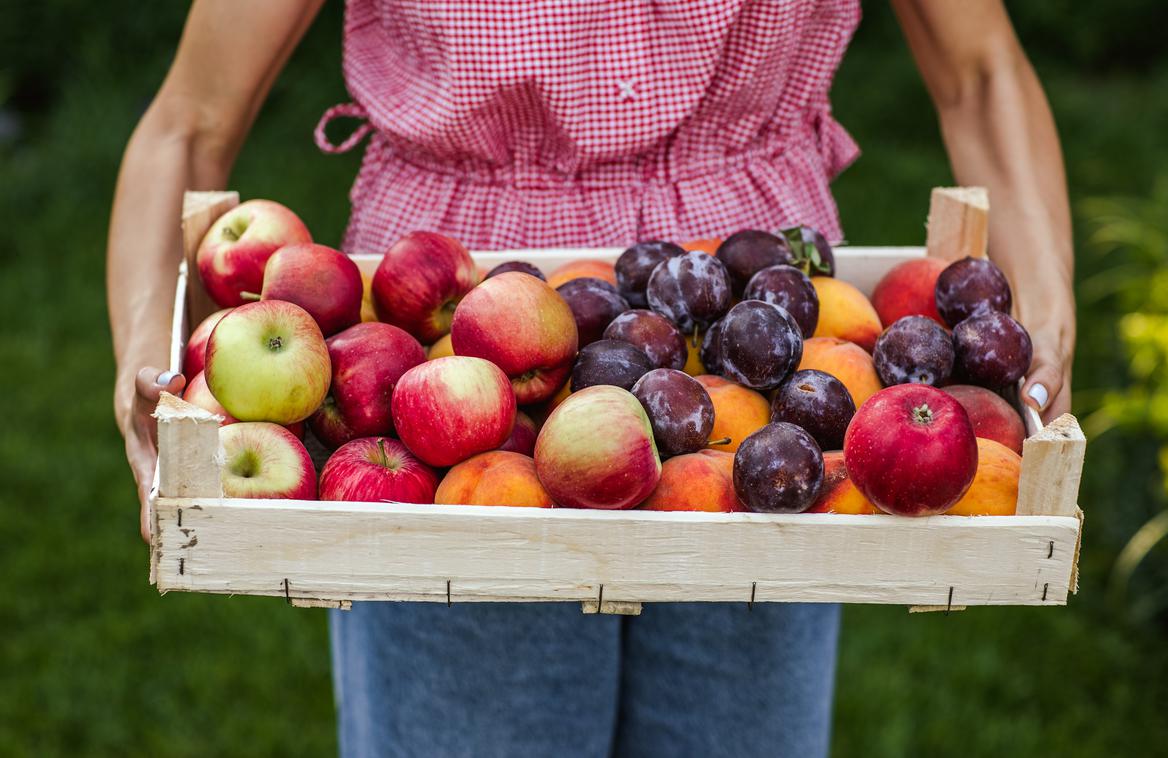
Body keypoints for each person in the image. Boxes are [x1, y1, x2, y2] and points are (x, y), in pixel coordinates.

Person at [108, 1, 1075, 755]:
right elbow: (191, 115)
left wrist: (1045, 305)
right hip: (459, 337)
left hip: (756, 351)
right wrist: (150, 355)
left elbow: (982, 70)